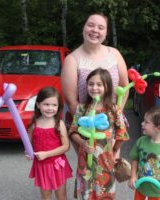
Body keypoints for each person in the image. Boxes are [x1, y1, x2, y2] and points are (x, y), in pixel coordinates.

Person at [61, 12, 129, 153]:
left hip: (112, 122)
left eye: (100, 27)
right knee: (89, 168)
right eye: (90, 25)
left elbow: (125, 87)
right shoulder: (72, 60)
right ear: (83, 28)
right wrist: (90, 126)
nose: (95, 30)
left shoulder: (114, 54)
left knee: (111, 164)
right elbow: (71, 101)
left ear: (106, 33)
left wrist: (116, 117)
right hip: (84, 123)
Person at [69, 68, 130, 199]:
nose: (94, 88)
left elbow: (122, 133)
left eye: (99, 84)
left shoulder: (114, 109)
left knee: (104, 193)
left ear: (107, 87)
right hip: (85, 160)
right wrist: (83, 144)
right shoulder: (82, 108)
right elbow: (73, 131)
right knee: (86, 193)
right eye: (91, 84)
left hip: (106, 160)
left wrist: (114, 150)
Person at [27, 87, 72, 200]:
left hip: (57, 166)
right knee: (46, 196)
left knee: (61, 196)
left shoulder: (59, 124)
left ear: (58, 107)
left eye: (54, 105)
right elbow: (29, 143)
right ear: (38, 105)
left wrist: (46, 154)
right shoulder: (34, 124)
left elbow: (66, 146)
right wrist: (29, 153)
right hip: (42, 166)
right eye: (46, 104)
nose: (50, 108)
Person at [128, 106, 160, 200]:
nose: (142, 124)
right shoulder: (141, 142)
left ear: (159, 128)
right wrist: (133, 176)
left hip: (159, 193)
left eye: (146, 122)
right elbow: (135, 159)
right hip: (141, 189)